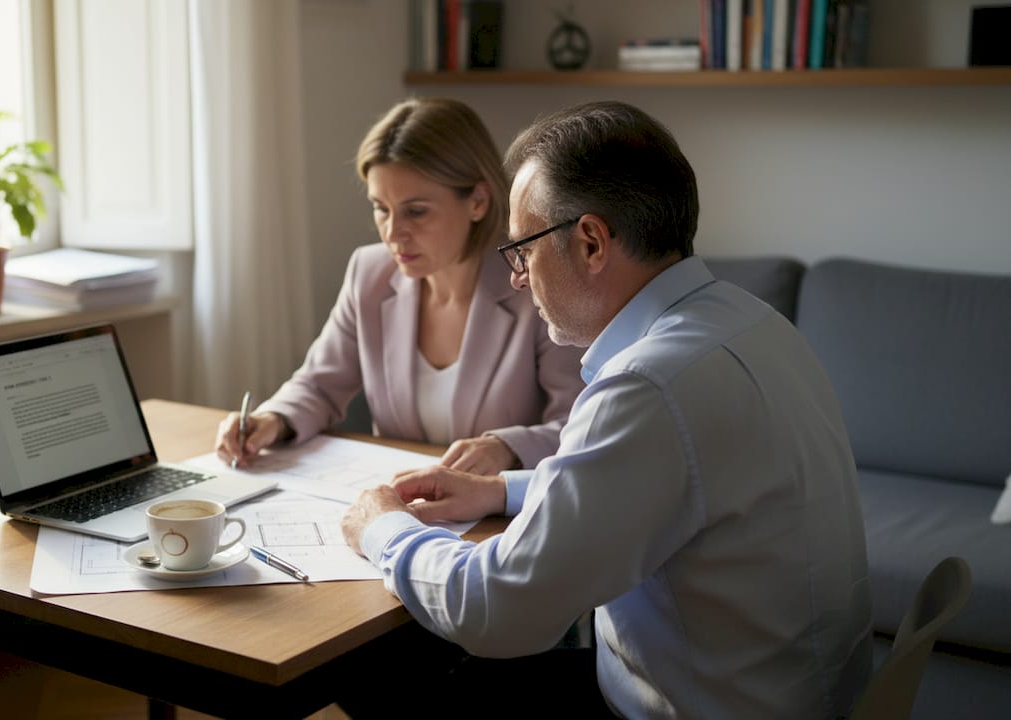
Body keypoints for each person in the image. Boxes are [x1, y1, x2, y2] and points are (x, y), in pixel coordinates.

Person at [341, 100, 872, 719]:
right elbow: (661, 482)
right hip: (793, 692)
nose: (517, 277)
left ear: (591, 241)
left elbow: (498, 611)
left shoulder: (646, 386)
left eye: (523, 249)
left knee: (379, 675)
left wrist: (381, 528)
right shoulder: (750, 321)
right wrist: (499, 491)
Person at [215, 97, 583, 475]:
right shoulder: (369, 273)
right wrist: (272, 419)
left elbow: (581, 427)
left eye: (416, 211)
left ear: (477, 200)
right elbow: (319, 385)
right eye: (381, 208)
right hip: (403, 506)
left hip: (503, 514)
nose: (393, 234)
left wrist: (507, 448)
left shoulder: (537, 286)